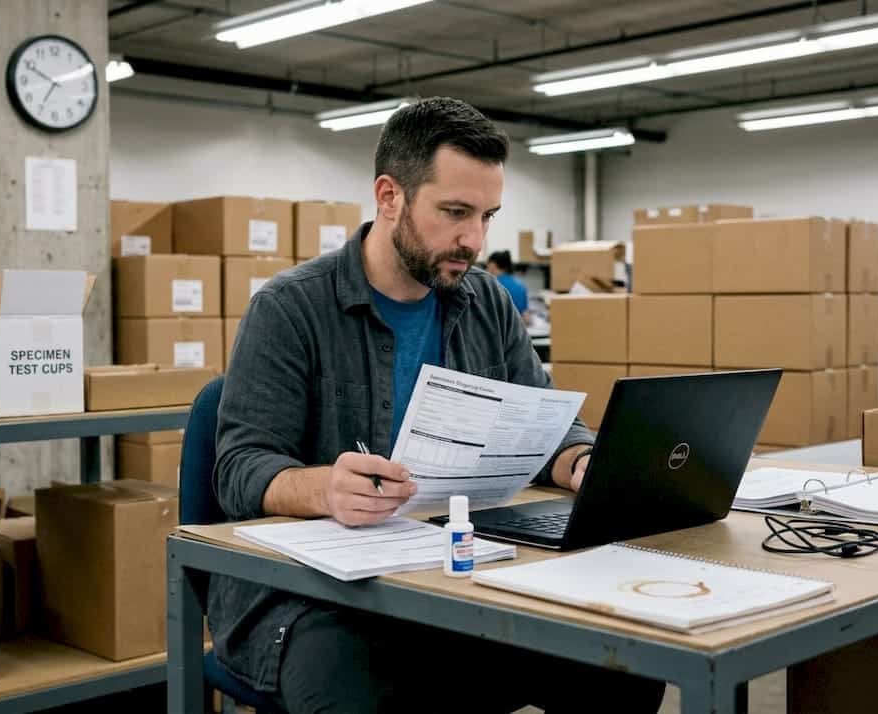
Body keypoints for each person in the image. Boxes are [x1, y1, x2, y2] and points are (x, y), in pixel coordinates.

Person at [210, 97, 666, 713]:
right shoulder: (291, 309)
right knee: (345, 689)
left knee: (627, 666)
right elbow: (240, 467)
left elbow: (547, 424)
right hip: (321, 596)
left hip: (462, 570)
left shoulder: (486, 304)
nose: (473, 239)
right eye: (455, 212)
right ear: (389, 195)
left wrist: (580, 459)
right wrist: (324, 489)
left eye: (487, 216)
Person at [485, 249, 529, 315]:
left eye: (487, 266)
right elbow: (525, 315)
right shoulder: (521, 285)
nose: (486, 270)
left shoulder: (492, 285)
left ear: (492, 265)